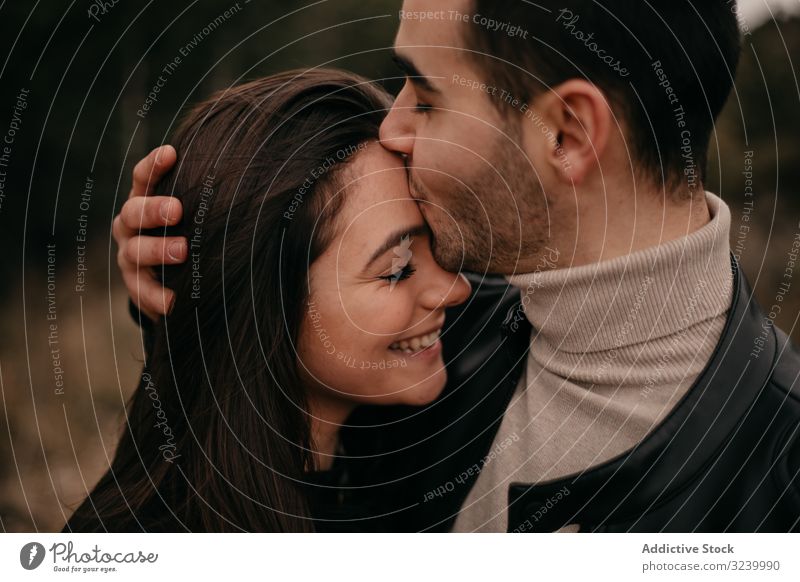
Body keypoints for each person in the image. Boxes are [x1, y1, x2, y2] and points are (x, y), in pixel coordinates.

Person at [111, 0, 800, 532]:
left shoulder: (779, 474)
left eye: (427, 94)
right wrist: (200, 291)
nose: (393, 127)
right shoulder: (428, 353)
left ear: (567, 133)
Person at [63, 69, 472, 532]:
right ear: (260, 304)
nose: (458, 289)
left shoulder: (402, 450)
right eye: (396, 269)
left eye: (439, 244)